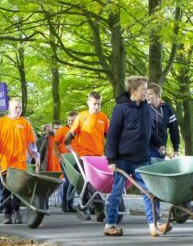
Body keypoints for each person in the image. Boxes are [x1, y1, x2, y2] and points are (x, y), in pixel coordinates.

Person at [105, 76, 163, 237]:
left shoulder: (146, 108)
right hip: (122, 159)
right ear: (133, 92)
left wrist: (159, 144)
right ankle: (110, 224)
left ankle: (154, 224)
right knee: (116, 192)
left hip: (142, 158)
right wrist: (111, 159)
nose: (146, 93)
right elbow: (112, 136)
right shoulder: (121, 109)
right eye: (143, 90)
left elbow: (148, 132)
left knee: (148, 191)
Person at [0, 98, 40, 224]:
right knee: (5, 189)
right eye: (16, 107)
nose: (18, 110)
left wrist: (35, 156)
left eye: (20, 107)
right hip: (3, 163)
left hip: (19, 163)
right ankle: (7, 213)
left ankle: (16, 210)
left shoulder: (25, 124)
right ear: (9, 108)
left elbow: (31, 144)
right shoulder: (1, 122)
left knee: (17, 190)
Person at [64, 92, 110, 219]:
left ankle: (83, 206)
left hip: (99, 156)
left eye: (99, 104)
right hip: (85, 156)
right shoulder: (82, 116)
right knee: (89, 182)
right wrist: (67, 142)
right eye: (94, 104)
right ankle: (99, 207)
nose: (96, 107)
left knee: (97, 183)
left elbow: (109, 136)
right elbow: (72, 132)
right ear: (88, 103)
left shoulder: (103, 118)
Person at [146, 83, 181, 159]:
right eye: (146, 94)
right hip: (146, 149)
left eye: (150, 94)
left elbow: (174, 129)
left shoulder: (167, 108)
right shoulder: (144, 108)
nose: (147, 96)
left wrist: (176, 148)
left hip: (161, 150)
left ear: (158, 94)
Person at [53, 111, 78, 212]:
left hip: (77, 158)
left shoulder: (79, 130)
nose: (71, 122)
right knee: (68, 181)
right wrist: (59, 156)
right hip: (66, 159)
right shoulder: (62, 130)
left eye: (73, 120)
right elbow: (55, 144)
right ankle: (64, 203)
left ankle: (70, 203)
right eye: (69, 120)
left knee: (75, 181)